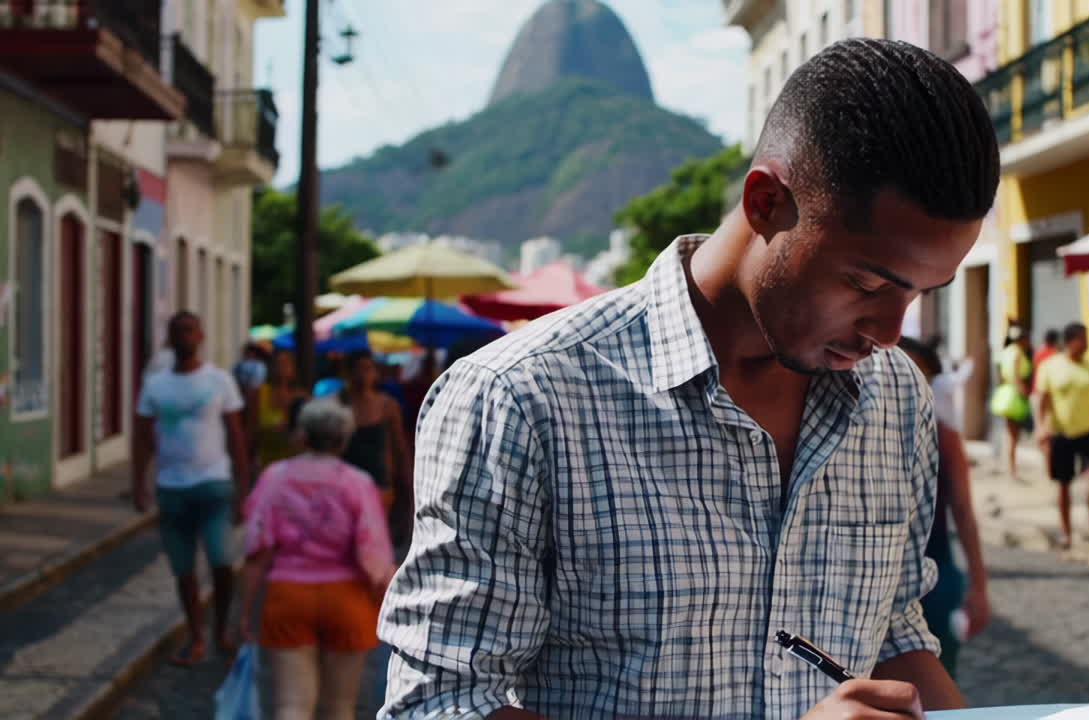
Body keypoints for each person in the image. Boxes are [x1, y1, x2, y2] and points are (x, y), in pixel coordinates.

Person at [379, 37, 1000, 720]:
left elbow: (893, 638)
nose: (888, 331)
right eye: (865, 283)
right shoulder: (521, 398)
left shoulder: (895, 397)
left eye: (920, 294)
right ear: (765, 202)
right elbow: (441, 704)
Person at [238, 398, 396, 720]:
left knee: (291, 706)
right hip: (347, 601)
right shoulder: (357, 482)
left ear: (302, 436)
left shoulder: (276, 477)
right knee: (340, 708)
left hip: (288, 598)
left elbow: (257, 550)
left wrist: (242, 612)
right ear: (343, 439)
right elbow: (374, 553)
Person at [132, 311, 250, 664]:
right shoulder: (155, 385)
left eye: (190, 330)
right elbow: (141, 438)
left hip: (213, 484)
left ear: (201, 336)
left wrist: (243, 488)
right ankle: (196, 636)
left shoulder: (219, 381)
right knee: (182, 569)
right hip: (171, 487)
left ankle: (221, 629)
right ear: (169, 339)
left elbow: (236, 435)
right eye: (177, 331)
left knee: (220, 560)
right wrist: (139, 484)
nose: (184, 336)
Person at [898, 336, 991, 678]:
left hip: (934, 578)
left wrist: (979, 587)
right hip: (872, 583)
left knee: (936, 674)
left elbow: (964, 513)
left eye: (918, 375)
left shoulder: (943, 437)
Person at [1036, 322, 1089, 554]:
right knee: (1063, 485)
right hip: (1061, 433)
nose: (1087, 344)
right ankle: (1066, 532)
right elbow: (1043, 399)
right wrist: (1041, 429)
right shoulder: (1050, 367)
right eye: (1083, 339)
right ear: (1070, 341)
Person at [339, 350, 411, 518]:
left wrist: (407, 480)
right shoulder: (340, 403)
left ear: (375, 372)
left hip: (380, 483)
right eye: (359, 368)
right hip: (345, 483)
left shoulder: (387, 405)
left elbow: (399, 446)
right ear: (349, 372)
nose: (364, 374)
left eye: (368, 368)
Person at [246, 348, 309, 472]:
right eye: (278, 363)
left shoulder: (302, 397)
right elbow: (250, 432)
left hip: (295, 467)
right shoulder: (259, 394)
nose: (282, 367)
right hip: (268, 467)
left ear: (294, 368)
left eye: (286, 363)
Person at [990, 323, 1033, 481]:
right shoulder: (1017, 354)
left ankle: (1010, 466)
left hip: (1006, 394)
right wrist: (1025, 393)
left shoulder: (1006, 352)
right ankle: (1012, 469)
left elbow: (1001, 375)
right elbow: (1016, 377)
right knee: (1013, 436)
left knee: (1011, 434)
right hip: (1015, 397)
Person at [1031, 328, 1061, 475]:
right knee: (1047, 433)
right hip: (1047, 397)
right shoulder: (1054, 355)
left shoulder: (1038, 353)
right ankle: (1050, 469)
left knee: (1041, 430)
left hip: (1037, 395)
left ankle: (1047, 466)